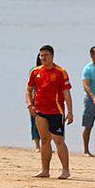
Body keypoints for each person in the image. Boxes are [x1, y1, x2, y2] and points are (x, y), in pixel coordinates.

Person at [26, 45, 72, 179]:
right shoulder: (35, 72)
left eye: (46, 55)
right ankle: (45, 170)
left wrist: (70, 112)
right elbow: (28, 89)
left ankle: (65, 170)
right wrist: (30, 105)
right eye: (41, 55)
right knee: (44, 140)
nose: (43, 57)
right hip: (40, 110)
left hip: (56, 111)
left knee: (58, 140)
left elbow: (66, 93)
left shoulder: (60, 72)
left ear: (52, 56)